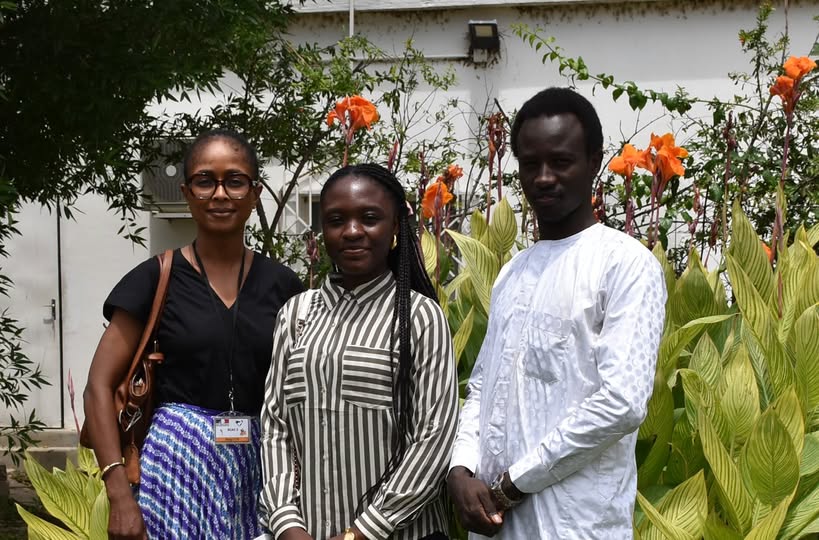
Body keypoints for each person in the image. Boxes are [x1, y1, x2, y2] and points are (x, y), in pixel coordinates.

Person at [447, 87, 667, 538]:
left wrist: (514, 482)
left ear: (594, 161)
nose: (544, 177)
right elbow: (485, 383)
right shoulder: (513, 270)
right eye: (531, 164)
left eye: (561, 162)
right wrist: (462, 469)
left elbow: (621, 403)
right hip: (494, 521)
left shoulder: (624, 264)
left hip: (576, 524)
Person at [83, 128, 304, 540]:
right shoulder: (155, 279)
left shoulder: (284, 285)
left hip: (263, 472)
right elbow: (98, 385)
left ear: (255, 194)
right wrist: (118, 492)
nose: (220, 194)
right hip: (173, 473)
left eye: (235, 181)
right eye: (206, 181)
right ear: (187, 192)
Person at [259, 163, 458, 540]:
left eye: (369, 218)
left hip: (401, 533)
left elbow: (434, 436)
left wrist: (361, 533)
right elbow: (275, 427)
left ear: (396, 226)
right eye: (336, 220)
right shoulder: (296, 314)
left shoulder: (420, 317)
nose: (352, 232)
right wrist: (286, 523)